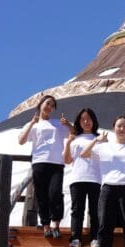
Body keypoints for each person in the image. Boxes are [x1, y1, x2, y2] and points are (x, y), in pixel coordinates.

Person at [81, 116, 125, 247]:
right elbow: (84, 154)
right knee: (105, 224)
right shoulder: (104, 146)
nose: (122, 129)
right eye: (119, 126)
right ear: (113, 128)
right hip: (108, 188)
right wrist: (96, 140)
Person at [18, 95, 73, 238]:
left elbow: (75, 133)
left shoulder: (58, 124)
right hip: (39, 162)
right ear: (40, 104)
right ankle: (46, 225)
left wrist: (67, 124)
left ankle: (55, 222)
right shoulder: (33, 124)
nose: (49, 107)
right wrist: (31, 123)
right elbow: (21, 141)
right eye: (47, 103)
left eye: (52, 105)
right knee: (41, 195)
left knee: (55, 192)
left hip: (56, 163)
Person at [63, 108, 103, 247]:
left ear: (94, 121)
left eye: (89, 119)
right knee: (77, 210)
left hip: (96, 178)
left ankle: (95, 238)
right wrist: (68, 143)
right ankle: (75, 237)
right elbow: (67, 160)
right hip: (78, 177)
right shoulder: (74, 139)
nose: (86, 122)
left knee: (95, 210)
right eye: (83, 119)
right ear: (79, 122)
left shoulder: (101, 138)